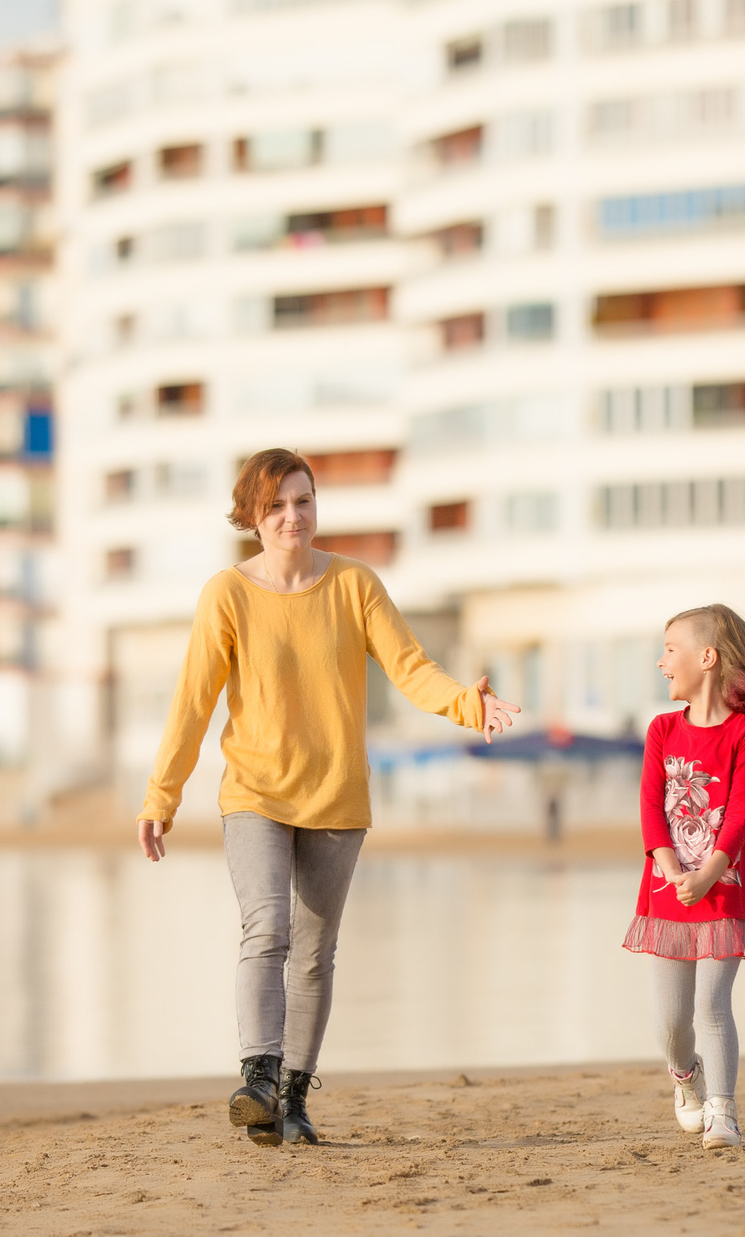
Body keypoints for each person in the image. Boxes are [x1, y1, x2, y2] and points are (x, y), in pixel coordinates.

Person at [136, 448, 517, 1146]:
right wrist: (162, 795)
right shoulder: (227, 593)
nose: (292, 515)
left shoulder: (354, 585)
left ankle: (293, 1097)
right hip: (254, 791)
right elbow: (192, 703)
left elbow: (412, 669)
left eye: (303, 500)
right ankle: (257, 1075)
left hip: (337, 797)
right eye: (277, 504)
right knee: (266, 926)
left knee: (314, 951)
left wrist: (468, 704)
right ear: (252, 515)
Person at [624, 605, 745, 1149]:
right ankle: (686, 1076)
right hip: (667, 890)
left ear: (707, 658)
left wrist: (711, 871)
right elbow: (651, 807)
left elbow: (739, 814)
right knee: (671, 1023)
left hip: (726, 888)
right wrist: (672, 870)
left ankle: (723, 1111)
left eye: (670, 650)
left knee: (712, 1005)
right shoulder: (662, 729)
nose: (661, 661)